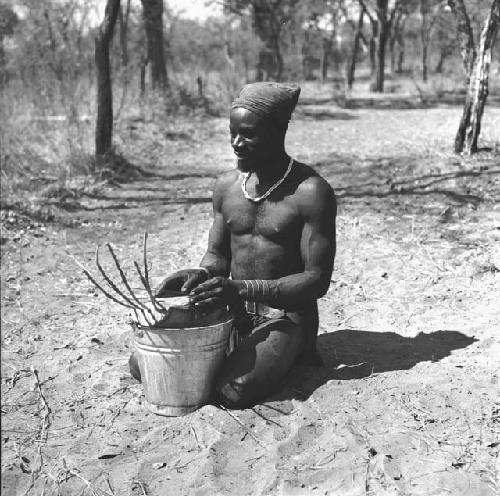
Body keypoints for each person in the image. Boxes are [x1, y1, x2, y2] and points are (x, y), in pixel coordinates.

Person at [137, 82, 337, 408]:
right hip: (232, 311)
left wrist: (241, 289)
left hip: (284, 318)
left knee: (233, 391)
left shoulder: (311, 192)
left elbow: (317, 280)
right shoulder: (226, 187)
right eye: (232, 133)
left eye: (248, 135)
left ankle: (287, 354)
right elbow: (217, 256)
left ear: (278, 131)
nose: (236, 143)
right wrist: (199, 275)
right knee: (144, 366)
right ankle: (241, 353)